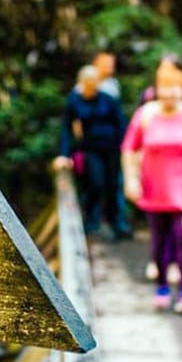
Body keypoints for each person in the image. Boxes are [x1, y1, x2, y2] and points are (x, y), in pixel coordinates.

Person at [122, 63, 182, 313]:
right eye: (166, 87)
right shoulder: (146, 114)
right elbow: (129, 148)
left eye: (176, 87)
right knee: (159, 238)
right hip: (154, 186)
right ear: (157, 89)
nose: (171, 93)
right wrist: (131, 179)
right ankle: (162, 287)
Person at [55, 64, 132, 239]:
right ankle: (92, 223)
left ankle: (117, 224)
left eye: (95, 84)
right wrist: (64, 154)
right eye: (89, 84)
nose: (92, 88)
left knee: (113, 185)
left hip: (112, 148)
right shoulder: (75, 100)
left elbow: (121, 125)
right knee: (96, 183)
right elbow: (66, 128)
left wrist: (126, 150)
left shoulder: (108, 99)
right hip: (91, 149)